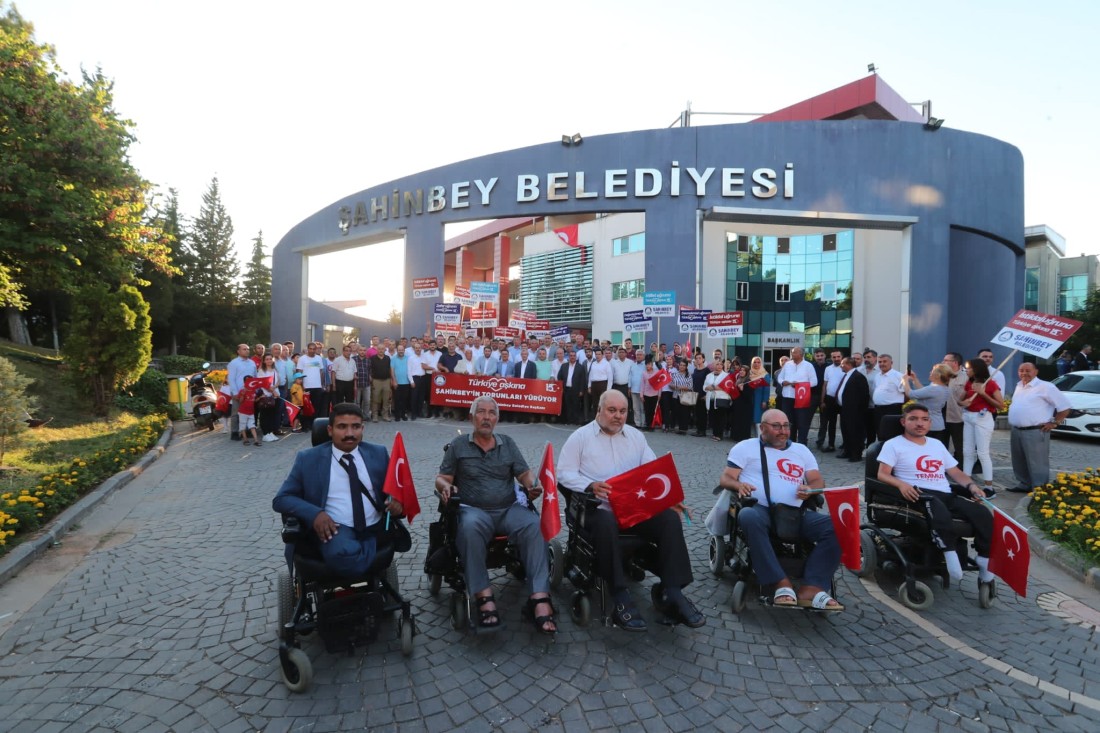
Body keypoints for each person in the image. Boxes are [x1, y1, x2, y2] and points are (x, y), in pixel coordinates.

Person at [557, 390, 704, 631]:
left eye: (622, 411)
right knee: (604, 521)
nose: (617, 416)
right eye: (612, 410)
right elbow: (564, 473)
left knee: (668, 519)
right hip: (595, 507)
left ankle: (674, 590)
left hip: (632, 508)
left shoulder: (636, 437)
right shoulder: (580, 438)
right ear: (599, 410)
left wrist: (668, 499)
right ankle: (619, 594)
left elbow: (652, 471)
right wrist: (589, 485)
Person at [435, 396, 557, 634]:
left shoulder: (507, 443)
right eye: (481, 412)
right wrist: (445, 487)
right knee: (469, 529)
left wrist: (533, 484)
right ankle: (483, 596)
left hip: (508, 508)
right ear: (472, 417)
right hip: (474, 510)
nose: (487, 417)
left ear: (497, 419)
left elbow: (524, 474)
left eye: (492, 413)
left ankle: (540, 599)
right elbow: (442, 477)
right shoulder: (458, 445)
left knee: (535, 526)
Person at [716, 409, 843, 610]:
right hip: (760, 509)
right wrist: (739, 485)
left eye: (786, 426)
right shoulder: (745, 448)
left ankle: (812, 586)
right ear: (763, 428)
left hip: (795, 513)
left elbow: (817, 480)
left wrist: (810, 489)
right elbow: (726, 478)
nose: (782, 431)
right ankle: (779, 581)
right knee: (747, 515)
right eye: (776, 426)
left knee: (839, 527)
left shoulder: (801, 450)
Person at [273, 403, 404, 576]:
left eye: (355, 427)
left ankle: (362, 550)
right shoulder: (309, 459)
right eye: (342, 427)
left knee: (352, 552)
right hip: (336, 529)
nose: (349, 433)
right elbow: (282, 499)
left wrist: (395, 501)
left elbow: (394, 490)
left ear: (362, 429)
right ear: (329, 430)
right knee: (342, 553)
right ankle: (363, 555)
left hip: (374, 526)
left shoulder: (377, 453)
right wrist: (315, 514)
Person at [875, 403, 994, 589]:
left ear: (930, 423)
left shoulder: (937, 444)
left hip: (945, 493)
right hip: (917, 495)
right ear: (903, 422)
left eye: (924, 419)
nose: (919, 423)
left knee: (982, 513)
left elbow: (955, 472)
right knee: (936, 506)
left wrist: (972, 486)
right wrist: (901, 484)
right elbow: (882, 474)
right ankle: (949, 551)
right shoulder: (893, 445)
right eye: (913, 419)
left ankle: (985, 561)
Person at [1007, 362, 1071, 493]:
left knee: (1037, 462)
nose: (1024, 373)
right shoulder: (1019, 385)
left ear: (1036, 371)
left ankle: (1039, 489)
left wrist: (1054, 422)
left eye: (1028, 370)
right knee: (1019, 460)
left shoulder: (1046, 387)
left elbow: (1064, 407)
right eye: (1021, 370)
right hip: (1017, 430)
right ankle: (1024, 483)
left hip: (1035, 431)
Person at [959, 358, 1005, 494]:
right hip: (968, 417)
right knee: (967, 451)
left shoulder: (990, 384)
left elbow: (1001, 405)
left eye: (969, 368)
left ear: (976, 369)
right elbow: (959, 401)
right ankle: (966, 482)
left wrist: (983, 394)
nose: (966, 370)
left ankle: (989, 486)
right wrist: (964, 402)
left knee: (982, 453)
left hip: (983, 418)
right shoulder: (969, 382)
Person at [775, 347, 818, 444]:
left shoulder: (808, 366)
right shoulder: (787, 365)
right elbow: (780, 377)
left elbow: (814, 382)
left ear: (801, 354)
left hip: (801, 398)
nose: (792, 355)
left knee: (802, 422)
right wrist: (783, 382)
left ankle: (802, 444)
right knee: (789, 422)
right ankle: (790, 443)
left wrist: (799, 385)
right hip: (787, 397)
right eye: (792, 353)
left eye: (794, 353)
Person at [903, 363, 952, 446]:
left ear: (937, 375)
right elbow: (924, 392)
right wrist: (915, 379)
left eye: (932, 371)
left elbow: (910, 394)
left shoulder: (934, 389)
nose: (930, 372)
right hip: (937, 424)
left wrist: (905, 380)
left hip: (929, 426)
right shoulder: (943, 388)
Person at [835, 357, 869, 462]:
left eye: (842, 364)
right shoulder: (847, 375)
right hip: (845, 409)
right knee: (846, 431)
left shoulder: (858, 377)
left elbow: (864, 395)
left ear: (849, 364)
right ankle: (847, 451)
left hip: (855, 411)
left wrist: (859, 410)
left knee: (854, 432)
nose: (841, 365)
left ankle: (856, 454)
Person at [227, 343, 257, 441]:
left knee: (248, 412)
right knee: (236, 413)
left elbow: (255, 377)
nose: (247, 351)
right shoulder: (234, 363)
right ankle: (234, 432)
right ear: (238, 351)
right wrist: (235, 392)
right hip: (238, 392)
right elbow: (231, 379)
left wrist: (255, 390)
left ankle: (247, 431)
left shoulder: (252, 363)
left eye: (248, 349)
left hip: (250, 393)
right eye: (244, 349)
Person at [942, 352, 967, 466]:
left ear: (955, 363)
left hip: (958, 416)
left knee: (959, 446)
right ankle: (943, 467)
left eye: (946, 360)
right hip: (941, 415)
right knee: (942, 444)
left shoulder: (966, 377)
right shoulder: (942, 375)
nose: (943, 362)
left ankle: (961, 469)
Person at [871, 354, 906, 435]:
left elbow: (906, 394)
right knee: (880, 432)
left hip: (892, 410)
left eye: (884, 361)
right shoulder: (877, 376)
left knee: (892, 432)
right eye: (880, 362)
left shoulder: (898, 376)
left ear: (891, 362)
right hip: (878, 409)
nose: (882, 364)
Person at [817, 350, 843, 451]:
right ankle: (831, 445)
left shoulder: (845, 367)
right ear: (831, 358)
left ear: (841, 357)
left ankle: (846, 444)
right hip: (830, 399)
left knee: (844, 423)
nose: (836, 359)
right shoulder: (828, 369)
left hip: (842, 399)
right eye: (834, 357)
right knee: (831, 423)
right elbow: (825, 385)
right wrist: (822, 401)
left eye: (838, 357)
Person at [703, 358, 731, 441]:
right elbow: (704, 386)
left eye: (721, 364)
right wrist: (708, 387)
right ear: (713, 365)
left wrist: (714, 387)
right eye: (717, 364)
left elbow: (728, 386)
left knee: (721, 417)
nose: (719, 366)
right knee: (713, 417)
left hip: (721, 399)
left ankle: (719, 434)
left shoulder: (726, 375)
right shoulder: (709, 375)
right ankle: (715, 433)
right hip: (711, 399)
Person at [558, 350, 588, 425]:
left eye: (574, 356)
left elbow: (582, 379)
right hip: (566, 389)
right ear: (568, 357)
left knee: (576, 405)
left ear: (576, 357)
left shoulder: (580, 367)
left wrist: (581, 390)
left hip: (576, 389)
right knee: (567, 405)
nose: (572, 357)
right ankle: (568, 420)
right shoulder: (564, 366)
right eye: (571, 356)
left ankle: (576, 420)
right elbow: (559, 377)